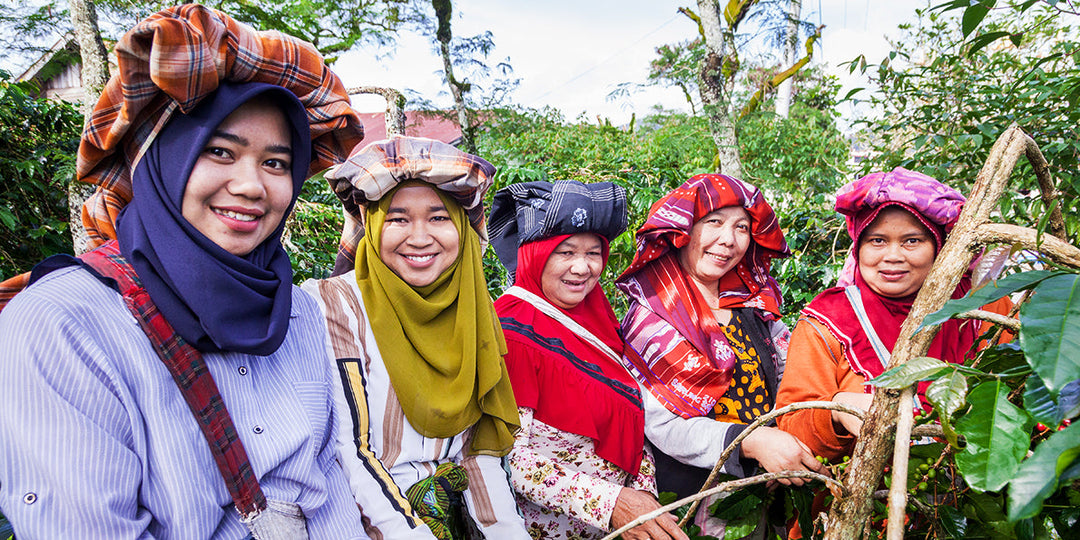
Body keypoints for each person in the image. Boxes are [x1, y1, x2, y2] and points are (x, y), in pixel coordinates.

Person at [0, 6, 369, 538]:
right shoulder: (65, 323)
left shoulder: (299, 312)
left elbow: (327, 485)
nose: (251, 186)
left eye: (276, 163)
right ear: (160, 161)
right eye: (219, 151)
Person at [301, 136, 530, 540]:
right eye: (398, 218)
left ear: (461, 226)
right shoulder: (334, 305)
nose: (421, 237)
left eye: (439, 218)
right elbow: (353, 451)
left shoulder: (471, 307)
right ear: (371, 225)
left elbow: (477, 453)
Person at [616, 174, 828, 534]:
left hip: (763, 489)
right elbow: (663, 426)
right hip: (687, 498)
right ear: (682, 231)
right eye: (713, 222)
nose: (728, 240)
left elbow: (788, 379)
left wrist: (784, 440)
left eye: (742, 228)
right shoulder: (652, 318)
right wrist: (751, 443)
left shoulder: (755, 308)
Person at [488, 180, 690, 540]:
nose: (582, 268)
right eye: (565, 253)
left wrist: (642, 496)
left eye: (593, 253)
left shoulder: (597, 321)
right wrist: (612, 503)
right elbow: (506, 458)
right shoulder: (511, 333)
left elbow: (631, 411)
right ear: (534, 254)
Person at [775, 167, 1013, 462]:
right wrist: (838, 408)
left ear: (938, 246)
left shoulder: (983, 306)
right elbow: (793, 424)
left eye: (912, 241)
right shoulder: (828, 320)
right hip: (864, 499)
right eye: (877, 241)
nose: (893, 256)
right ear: (858, 248)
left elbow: (1018, 391)